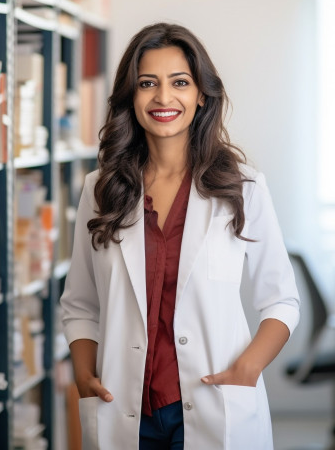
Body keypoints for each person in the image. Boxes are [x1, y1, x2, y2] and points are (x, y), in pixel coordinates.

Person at [60, 22, 300, 450]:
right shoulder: (102, 188)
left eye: (180, 83)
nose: (163, 98)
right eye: (147, 83)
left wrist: (247, 369)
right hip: (124, 407)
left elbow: (281, 299)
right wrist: (83, 373)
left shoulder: (242, 187)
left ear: (201, 94)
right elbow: (80, 301)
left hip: (213, 400)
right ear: (130, 96)